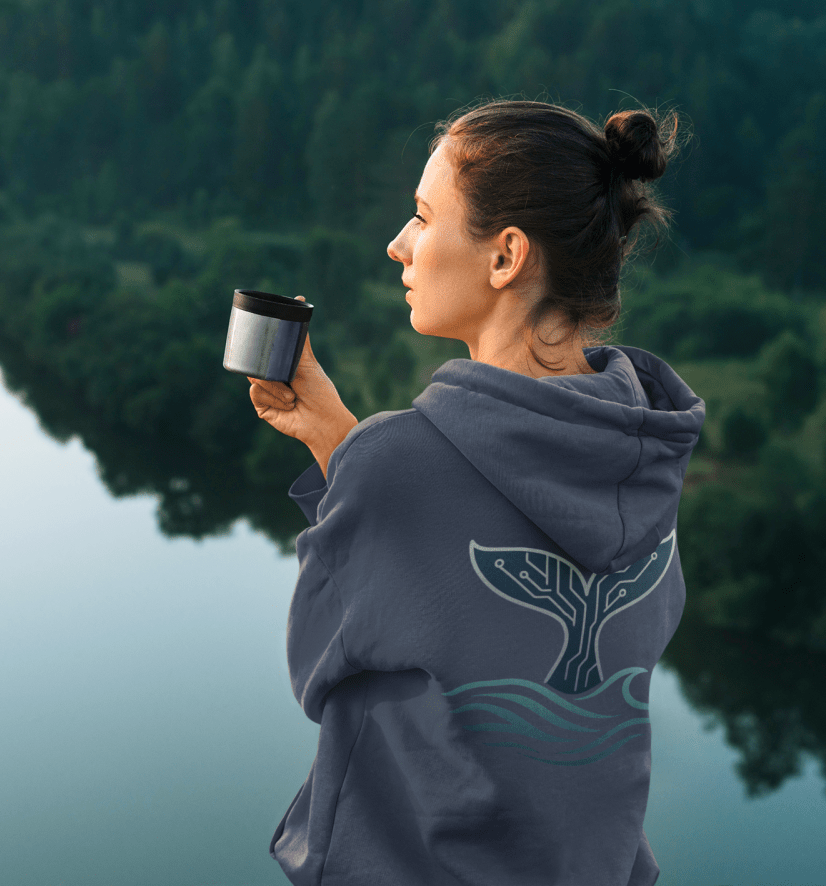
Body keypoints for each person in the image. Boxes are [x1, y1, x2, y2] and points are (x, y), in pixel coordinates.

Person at [247, 99, 707, 885]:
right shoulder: (642, 449)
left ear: (506, 257)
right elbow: (474, 612)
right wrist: (343, 448)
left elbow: (322, 665)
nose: (399, 244)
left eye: (424, 217)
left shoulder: (398, 464)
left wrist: (354, 459)